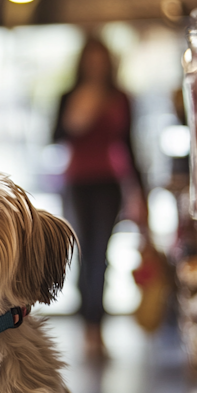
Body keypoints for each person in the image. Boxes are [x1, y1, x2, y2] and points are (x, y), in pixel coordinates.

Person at [54, 37, 147, 360]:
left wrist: (140, 193)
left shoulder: (120, 97)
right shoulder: (69, 95)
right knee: (83, 254)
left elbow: (129, 147)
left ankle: (98, 327)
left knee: (102, 256)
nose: (96, 65)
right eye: (90, 60)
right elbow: (56, 135)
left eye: (101, 59)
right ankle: (87, 329)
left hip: (109, 183)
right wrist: (79, 113)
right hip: (77, 182)